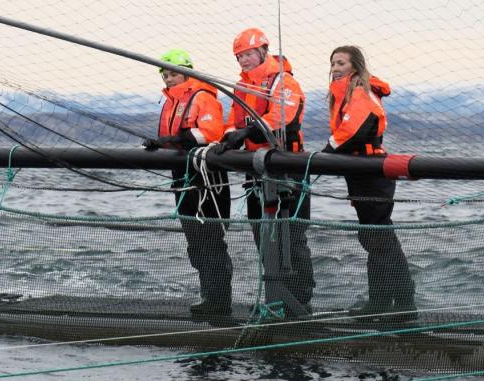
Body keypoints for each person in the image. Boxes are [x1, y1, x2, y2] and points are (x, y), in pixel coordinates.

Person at [214, 28, 315, 313]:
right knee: (261, 232)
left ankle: (300, 299)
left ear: (263, 50)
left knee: (292, 235)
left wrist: (244, 131)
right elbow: (235, 121)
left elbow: (282, 118)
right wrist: (228, 137)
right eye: (239, 56)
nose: (243, 60)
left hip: (287, 166)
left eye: (247, 54)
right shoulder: (241, 86)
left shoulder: (284, 82)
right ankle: (275, 295)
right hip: (256, 168)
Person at [323, 45, 417, 321]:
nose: (335, 67)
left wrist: (324, 154)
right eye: (333, 63)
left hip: (371, 173)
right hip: (359, 172)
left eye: (341, 62)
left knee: (379, 238)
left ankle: (398, 304)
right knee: (377, 237)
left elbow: (354, 129)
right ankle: (387, 301)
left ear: (355, 66)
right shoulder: (345, 92)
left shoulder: (361, 91)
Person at [143, 48, 233, 317]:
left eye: (172, 74)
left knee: (211, 239)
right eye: (165, 75)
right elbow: (176, 136)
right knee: (195, 241)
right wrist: (164, 143)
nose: (168, 79)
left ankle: (219, 300)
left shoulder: (202, 96)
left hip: (207, 179)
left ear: (186, 72)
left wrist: (177, 140)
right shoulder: (171, 101)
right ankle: (209, 295)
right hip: (181, 177)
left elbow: (211, 132)